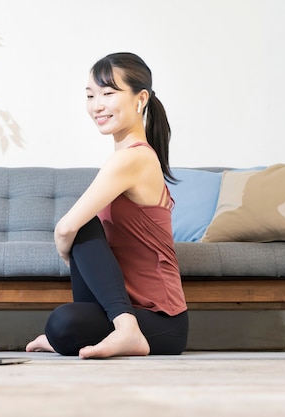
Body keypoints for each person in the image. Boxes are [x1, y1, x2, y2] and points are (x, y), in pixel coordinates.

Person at [26, 52, 188, 359]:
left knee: (80, 229)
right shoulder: (129, 157)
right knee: (62, 327)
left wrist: (65, 247)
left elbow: (66, 228)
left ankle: (127, 331)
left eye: (108, 93)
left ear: (140, 99)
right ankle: (104, 331)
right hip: (127, 310)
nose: (97, 105)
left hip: (162, 321)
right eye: (90, 95)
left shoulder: (134, 158)